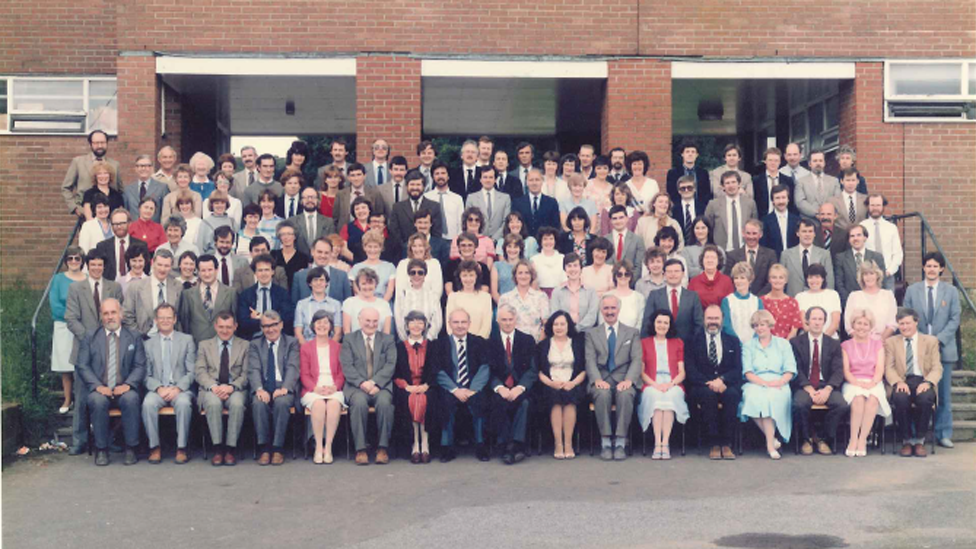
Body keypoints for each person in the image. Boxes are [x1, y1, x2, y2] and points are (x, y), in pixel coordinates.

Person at [63, 249, 124, 455]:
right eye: (93, 264)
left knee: (108, 397)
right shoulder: (75, 288)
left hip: (110, 351)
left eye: (100, 264)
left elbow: (118, 316)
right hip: (83, 350)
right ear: (87, 265)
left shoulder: (114, 287)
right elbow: (71, 318)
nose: (96, 268)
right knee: (81, 398)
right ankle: (79, 440)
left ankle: (108, 438)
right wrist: (91, 339)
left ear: (104, 266)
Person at [75, 298, 145, 466]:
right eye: (105, 313)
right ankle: (101, 450)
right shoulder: (90, 337)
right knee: (97, 401)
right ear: (101, 316)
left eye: (113, 312)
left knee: (131, 399)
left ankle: (131, 448)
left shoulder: (133, 337)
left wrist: (128, 385)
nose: (110, 317)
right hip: (100, 388)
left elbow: (140, 365)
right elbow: (82, 365)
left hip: (125, 387)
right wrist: (98, 386)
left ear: (120, 314)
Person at [903, 252, 961, 448]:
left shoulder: (951, 291)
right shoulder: (912, 290)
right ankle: (913, 433)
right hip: (917, 349)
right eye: (928, 266)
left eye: (935, 266)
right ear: (923, 268)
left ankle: (943, 433)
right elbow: (907, 316)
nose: (931, 269)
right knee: (915, 391)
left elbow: (955, 319)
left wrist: (938, 340)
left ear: (941, 269)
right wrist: (921, 340)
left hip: (943, 349)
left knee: (944, 395)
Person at [586, 294, 643, 460]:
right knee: (602, 394)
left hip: (623, 378)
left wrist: (629, 380)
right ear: (601, 310)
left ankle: (620, 442)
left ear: (619, 310)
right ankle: (605, 442)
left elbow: (636, 359)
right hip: (601, 378)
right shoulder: (592, 333)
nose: (609, 311)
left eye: (613, 308)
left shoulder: (632, 332)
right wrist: (597, 380)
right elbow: (590, 360)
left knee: (626, 395)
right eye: (606, 308)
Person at [435, 309, 493, 462]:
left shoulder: (479, 342)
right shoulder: (440, 344)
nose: (460, 326)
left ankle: (481, 445)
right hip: (451, 388)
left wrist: (472, 389)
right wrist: (455, 390)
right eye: (456, 322)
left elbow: (485, 367)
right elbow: (438, 370)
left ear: (469, 324)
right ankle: (447, 447)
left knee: (480, 402)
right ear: (449, 324)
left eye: (463, 322)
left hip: (473, 388)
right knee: (445, 403)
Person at [685, 305, 742, 460]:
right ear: (704, 319)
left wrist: (723, 380)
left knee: (732, 395)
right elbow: (690, 370)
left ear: (722, 320)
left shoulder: (732, 341)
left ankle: (727, 443)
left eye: (716, 318)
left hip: (726, 384)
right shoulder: (692, 341)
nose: (713, 322)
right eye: (709, 318)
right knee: (707, 396)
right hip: (702, 385)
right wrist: (709, 383)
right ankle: (714, 443)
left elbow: (738, 369)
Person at [141, 303, 196, 464]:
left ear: (175, 319)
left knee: (184, 403)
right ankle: (154, 447)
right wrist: (158, 388)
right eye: (161, 318)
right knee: (148, 403)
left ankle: (181, 448)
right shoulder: (148, 344)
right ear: (156, 320)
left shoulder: (186, 340)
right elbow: (146, 374)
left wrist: (178, 388)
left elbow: (191, 371)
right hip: (158, 389)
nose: (165, 321)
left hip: (180, 388)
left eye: (168, 317)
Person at [341, 308, 397, 465]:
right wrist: (362, 383)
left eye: (375, 321)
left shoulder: (387, 339)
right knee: (358, 403)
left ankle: (382, 448)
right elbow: (347, 366)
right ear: (359, 321)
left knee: (385, 403)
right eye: (367, 321)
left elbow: (390, 365)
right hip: (356, 386)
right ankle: (360, 449)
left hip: (381, 386)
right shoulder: (349, 339)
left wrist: (375, 383)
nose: (371, 324)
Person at [739, 309, 797, 460]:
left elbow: (790, 369)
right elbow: (748, 372)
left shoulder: (783, 344)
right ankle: (771, 443)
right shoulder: (748, 345)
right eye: (756, 325)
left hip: (779, 382)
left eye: (763, 324)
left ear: (770, 325)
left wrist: (780, 382)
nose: (760, 328)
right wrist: (763, 383)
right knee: (753, 397)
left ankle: (770, 444)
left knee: (770, 398)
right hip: (755, 382)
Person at [885, 308, 943, 458]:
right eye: (901, 324)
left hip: (923, 379)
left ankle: (919, 440)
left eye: (908, 323)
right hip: (902, 380)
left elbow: (937, 367)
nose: (904, 327)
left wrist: (928, 382)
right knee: (900, 399)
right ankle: (906, 440)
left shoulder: (930, 341)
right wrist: (897, 382)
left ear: (916, 322)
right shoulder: (891, 342)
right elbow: (889, 367)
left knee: (925, 400)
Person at [791, 306, 848, 455]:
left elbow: (838, 370)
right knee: (799, 404)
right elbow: (796, 369)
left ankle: (822, 437)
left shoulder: (834, 343)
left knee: (841, 405)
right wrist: (808, 388)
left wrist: (828, 389)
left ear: (824, 322)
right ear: (807, 321)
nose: (817, 322)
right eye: (814, 319)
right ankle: (807, 438)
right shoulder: (796, 343)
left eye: (820, 319)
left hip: (826, 385)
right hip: (805, 385)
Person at [195, 312, 249, 466]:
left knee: (237, 404)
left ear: (235, 327)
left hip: (235, 388)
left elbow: (246, 374)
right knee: (213, 403)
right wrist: (214, 386)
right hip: (211, 388)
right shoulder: (204, 345)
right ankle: (218, 449)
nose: (225, 331)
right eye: (221, 327)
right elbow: (200, 371)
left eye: (228, 327)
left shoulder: (244, 345)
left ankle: (231, 449)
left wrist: (231, 387)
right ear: (215, 326)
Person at [246, 310, 299, 466]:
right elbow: (253, 369)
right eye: (266, 326)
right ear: (261, 328)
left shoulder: (291, 342)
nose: (270, 329)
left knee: (282, 403)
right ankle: (264, 448)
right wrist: (259, 389)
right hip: (263, 385)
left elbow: (293, 367)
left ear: (281, 325)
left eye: (274, 325)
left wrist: (285, 387)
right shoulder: (255, 344)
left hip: (283, 385)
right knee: (258, 403)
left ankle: (277, 448)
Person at [489, 305, 538, 464]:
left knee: (524, 403)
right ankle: (506, 445)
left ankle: (516, 444)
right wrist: (499, 387)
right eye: (504, 319)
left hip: (520, 387)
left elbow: (532, 369)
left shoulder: (527, 340)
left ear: (516, 320)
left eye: (510, 319)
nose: (508, 323)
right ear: (497, 321)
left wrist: (520, 387)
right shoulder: (489, 342)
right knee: (498, 402)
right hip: (500, 388)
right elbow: (487, 370)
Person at [638, 310, 689, 460]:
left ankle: (665, 443)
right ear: (653, 323)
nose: (662, 325)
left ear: (670, 325)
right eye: (659, 322)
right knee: (655, 397)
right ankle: (657, 443)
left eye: (666, 322)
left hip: (673, 383)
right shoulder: (644, 343)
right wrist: (655, 385)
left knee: (670, 397)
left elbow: (682, 372)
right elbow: (641, 372)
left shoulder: (677, 342)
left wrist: (670, 384)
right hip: (651, 383)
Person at [841, 308, 891, 457]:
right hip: (853, 382)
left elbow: (880, 369)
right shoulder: (845, 345)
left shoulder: (877, 345)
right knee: (858, 400)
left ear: (870, 327)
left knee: (873, 400)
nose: (862, 327)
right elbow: (846, 371)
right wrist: (857, 383)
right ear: (853, 325)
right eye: (858, 323)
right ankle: (853, 439)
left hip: (873, 381)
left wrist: (873, 382)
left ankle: (863, 439)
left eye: (865, 324)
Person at [538, 312, 587, 459]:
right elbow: (539, 371)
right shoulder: (544, 345)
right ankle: (558, 443)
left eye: (562, 324)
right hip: (550, 383)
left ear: (568, 326)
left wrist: (573, 383)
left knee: (570, 398)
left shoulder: (578, 343)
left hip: (573, 382)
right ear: (551, 326)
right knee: (556, 399)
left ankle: (568, 443)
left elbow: (584, 369)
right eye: (555, 324)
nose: (559, 327)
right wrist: (551, 383)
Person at [300, 310, 346, 464]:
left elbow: (341, 373)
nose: (322, 325)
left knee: (333, 404)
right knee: (319, 404)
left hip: (333, 387)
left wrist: (335, 387)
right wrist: (315, 388)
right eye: (318, 322)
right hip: (313, 388)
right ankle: (318, 447)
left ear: (331, 326)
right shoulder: (306, 348)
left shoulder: (338, 347)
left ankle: (329, 447)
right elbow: (304, 374)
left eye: (326, 322)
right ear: (313, 326)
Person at [394, 311, 439, 464]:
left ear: (425, 326)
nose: (416, 325)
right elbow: (395, 373)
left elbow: (436, 370)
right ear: (406, 325)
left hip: (427, 387)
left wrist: (426, 385)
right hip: (407, 388)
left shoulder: (432, 346)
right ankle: (415, 444)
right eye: (412, 322)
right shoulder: (399, 347)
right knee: (412, 400)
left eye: (420, 322)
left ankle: (425, 443)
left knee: (425, 400)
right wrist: (406, 386)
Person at [50, 246, 87, 414]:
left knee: (83, 364)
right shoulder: (58, 279)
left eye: (77, 258)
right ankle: (67, 398)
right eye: (70, 258)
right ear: (66, 261)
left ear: (82, 261)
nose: (73, 261)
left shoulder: (87, 278)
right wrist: (72, 318)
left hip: (84, 327)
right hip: (64, 326)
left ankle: (83, 401)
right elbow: (55, 306)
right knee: (66, 365)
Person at [178, 254, 238, 343]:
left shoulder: (231, 293)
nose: (207, 274)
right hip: (196, 345)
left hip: (223, 345)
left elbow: (235, 321)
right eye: (203, 270)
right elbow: (184, 323)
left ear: (217, 270)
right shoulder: (187, 294)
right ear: (198, 272)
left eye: (210, 270)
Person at [122, 249, 182, 337]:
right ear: (152, 263)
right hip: (143, 339)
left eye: (166, 266)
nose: (162, 269)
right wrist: (139, 336)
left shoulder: (177, 286)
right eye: (159, 265)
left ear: (171, 267)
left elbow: (180, 316)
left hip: (170, 340)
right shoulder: (136, 287)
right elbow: (127, 315)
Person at [62, 130, 122, 217]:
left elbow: (120, 190)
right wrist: (75, 208)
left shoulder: (114, 165)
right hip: (85, 214)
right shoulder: (78, 162)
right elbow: (66, 188)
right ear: (90, 144)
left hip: (110, 216)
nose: (100, 146)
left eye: (103, 142)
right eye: (96, 143)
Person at [641, 258, 703, 341]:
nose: (673, 274)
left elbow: (699, 324)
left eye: (676, 271)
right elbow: (647, 323)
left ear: (683, 273)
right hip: (661, 345)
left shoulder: (693, 296)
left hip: (687, 346)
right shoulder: (654, 295)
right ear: (664, 274)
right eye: (669, 272)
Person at [236, 254, 295, 341]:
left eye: (267, 270)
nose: (264, 274)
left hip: (277, 339)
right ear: (255, 273)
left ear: (272, 272)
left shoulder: (282, 294)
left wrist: (260, 317)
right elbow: (243, 323)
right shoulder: (245, 295)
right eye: (260, 270)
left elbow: (287, 319)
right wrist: (273, 321)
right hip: (253, 339)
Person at [835, 224, 887, 308]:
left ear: (865, 238)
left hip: (874, 303)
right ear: (849, 240)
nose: (855, 238)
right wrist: (850, 301)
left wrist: (873, 299)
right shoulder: (841, 258)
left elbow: (882, 281)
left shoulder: (877, 257)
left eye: (859, 235)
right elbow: (839, 283)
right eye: (852, 236)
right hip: (850, 304)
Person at [705, 171, 758, 252]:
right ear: (722, 187)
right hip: (722, 251)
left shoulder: (750, 203)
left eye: (733, 182)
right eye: (727, 183)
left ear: (739, 184)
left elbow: (755, 227)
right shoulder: (713, 204)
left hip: (745, 251)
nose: (731, 185)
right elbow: (708, 229)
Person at [498, 260, 550, 341]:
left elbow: (546, 324)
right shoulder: (505, 298)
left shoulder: (541, 297)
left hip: (536, 344)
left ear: (531, 275)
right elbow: (501, 325)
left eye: (527, 273)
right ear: (515, 275)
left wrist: (538, 344)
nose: (523, 276)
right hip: (513, 345)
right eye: (520, 273)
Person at [844, 260, 897, 339]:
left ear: (877, 275)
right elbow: (848, 325)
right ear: (862, 277)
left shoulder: (888, 295)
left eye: (872, 273)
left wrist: (879, 342)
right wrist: (864, 341)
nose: (869, 277)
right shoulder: (854, 296)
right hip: (859, 342)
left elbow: (892, 323)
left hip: (883, 342)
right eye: (865, 274)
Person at [781, 218, 834, 297]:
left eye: (810, 231)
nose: (807, 234)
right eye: (804, 231)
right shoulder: (786, 255)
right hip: (793, 299)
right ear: (797, 233)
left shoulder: (824, 254)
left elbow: (829, 281)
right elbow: (781, 280)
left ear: (814, 234)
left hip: (818, 300)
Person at [393, 259, 442, 341]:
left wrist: (426, 341)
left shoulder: (432, 295)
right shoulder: (402, 295)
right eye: (413, 272)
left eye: (420, 273)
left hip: (429, 343)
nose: (416, 275)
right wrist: (408, 341)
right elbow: (399, 321)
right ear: (409, 275)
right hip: (406, 342)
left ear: (425, 275)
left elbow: (437, 321)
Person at [389, 170, 443, 244]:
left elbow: (436, 233)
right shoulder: (397, 208)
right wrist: (406, 247)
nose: (415, 188)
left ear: (423, 187)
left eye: (418, 185)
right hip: (403, 251)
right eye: (412, 184)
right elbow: (394, 232)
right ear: (406, 186)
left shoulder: (434, 207)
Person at [860, 193, 902, 289]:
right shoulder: (862, 227)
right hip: (868, 276)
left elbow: (897, 253)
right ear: (868, 206)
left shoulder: (891, 228)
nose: (875, 208)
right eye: (872, 205)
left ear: (883, 206)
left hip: (887, 276)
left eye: (878, 205)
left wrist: (889, 271)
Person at [723, 219, 775, 296]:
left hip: (762, 300)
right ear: (743, 233)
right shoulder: (732, 255)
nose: (751, 237)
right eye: (748, 233)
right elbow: (729, 280)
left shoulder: (770, 255)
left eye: (754, 233)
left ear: (760, 234)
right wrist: (743, 296)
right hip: (739, 299)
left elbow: (772, 280)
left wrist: (756, 299)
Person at [294, 266, 343, 345]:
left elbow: (338, 332)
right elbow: (298, 332)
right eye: (315, 280)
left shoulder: (336, 304)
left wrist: (327, 349)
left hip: (329, 348)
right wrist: (308, 349)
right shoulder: (301, 304)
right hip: (307, 348)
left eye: (321, 280)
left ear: (326, 283)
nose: (318, 283)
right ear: (310, 283)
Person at [447, 260, 495, 339]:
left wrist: (477, 343)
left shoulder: (486, 297)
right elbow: (449, 325)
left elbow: (486, 326)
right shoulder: (453, 297)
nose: (468, 279)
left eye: (471, 275)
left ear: (477, 276)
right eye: (464, 275)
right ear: (460, 277)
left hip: (480, 344)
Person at [550, 253, 599, 331]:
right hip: (563, 333)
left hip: (586, 333)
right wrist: (567, 329)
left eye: (575, 265)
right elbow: (555, 315)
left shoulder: (591, 291)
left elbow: (592, 316)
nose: (572, 269)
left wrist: (576, 328)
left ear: (581, 268)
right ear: (565, 269)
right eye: (569, 266)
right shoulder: (557, 292)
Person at [93, 209, 145, 282]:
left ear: (129, 223)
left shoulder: (140, 245)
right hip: (110, 287)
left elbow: (145, 269)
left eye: (122, 223)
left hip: (134, 285)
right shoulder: (102, 246)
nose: (119, 226)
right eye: (115, 224)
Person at [332, 163, 388, 229]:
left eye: (359, 175)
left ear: (364, 176)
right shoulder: (341, 194)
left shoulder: (375, 193)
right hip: (346, 234)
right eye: (352, 175)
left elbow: (380, 215)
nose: (356, 178)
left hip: (369, 233)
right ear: (348, 178)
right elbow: (336, 218)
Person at [721, 262, 764, 344]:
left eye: (742, 278)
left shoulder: (757, 301)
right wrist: (738, 343)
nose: (738, 281)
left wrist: (752, 343)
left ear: (750, 280)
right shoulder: (727, 301)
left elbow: (761, 324)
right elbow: (726, 326)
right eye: (736, 278)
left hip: (754, 345)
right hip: (733, 345)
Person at [795, 264, 842, 339]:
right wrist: (815, 340)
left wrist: (822, 340)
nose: (814, 281)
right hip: (807, 340)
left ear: (823, 279)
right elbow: (804, 324)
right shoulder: (800, 296)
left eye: (817, 277)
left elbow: (835, 323)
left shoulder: (833, 294)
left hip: (830, 339)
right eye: (810, 277)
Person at [464, 166, 511, 241]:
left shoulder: (505, 198)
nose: (488, 180)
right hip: (477, 240)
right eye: (485, 177)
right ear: (480, 179)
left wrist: (494, 238)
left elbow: (506, 221)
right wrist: (480, 238)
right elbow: (468, 221)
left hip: (499, 241)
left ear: (495, 179)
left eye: (490, 177)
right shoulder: (471, 198)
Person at [342, 268, 393, 334]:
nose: (367, 287)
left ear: (376, 284)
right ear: (358, 285)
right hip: (354, 343)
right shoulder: (349, 303)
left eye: (370, 283)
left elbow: (386, 332)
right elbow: (347, 331)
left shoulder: (384, 305)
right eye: (364, 284)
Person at [349, 229, 395, 302]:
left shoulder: (389, 267)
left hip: (383, 305)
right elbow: (356, 291)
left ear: (381, 248)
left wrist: (381, 306)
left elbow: (390, 291)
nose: (372, 250)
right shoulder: (356, 268)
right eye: (369, 246)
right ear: (364, 247)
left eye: (375, 247)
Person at [512, 169, 560, 237]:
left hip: (545, 242)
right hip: (523, 242)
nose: (534, 183)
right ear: (526, 182)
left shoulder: (552, 203)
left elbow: (555, 226)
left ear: (542, 181)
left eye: (537, 180)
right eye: (531, 180)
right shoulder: (517, 203)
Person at [760, 264, 803, 340]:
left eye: (781, 277)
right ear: (769, 280)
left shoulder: (792, 302)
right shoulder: (761, 301)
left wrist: (784, 345)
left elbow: (794, 329)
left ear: (786, 280)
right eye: (774, 277)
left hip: (786, 345)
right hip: (765, 344)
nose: (777, 280)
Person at [425, 160, 465, 240]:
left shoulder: (457, 198)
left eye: (443, 173)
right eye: (437, 174)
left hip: (452, 240)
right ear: (433, 177)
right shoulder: (426, 197)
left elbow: (461, 224)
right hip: (432, 241)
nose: (440, 176)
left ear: (448, 176)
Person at [794, 149, 840, 218]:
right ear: (810, 164)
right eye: (815, 161)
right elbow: (800, 203)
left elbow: (837, 200)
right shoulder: (801, 182)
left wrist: (827, 214)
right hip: (809, 222)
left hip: (829, 221)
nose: (818, 163)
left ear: (824, 163)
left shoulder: (834, 181)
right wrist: (817, 214)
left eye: (820, 160)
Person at [666, 141, 711, 210]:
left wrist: (702, 207)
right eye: (687, 152)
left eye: (693, 152)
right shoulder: (673, 173)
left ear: (697, 155)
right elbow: (671, 192)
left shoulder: (703, 173)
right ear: (682, 154)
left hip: (699, 209)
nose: (690, 154)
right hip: (680, 209)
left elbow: (707, 193)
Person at [123, 154, 168, 223]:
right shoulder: (128, 190)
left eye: (147, 166)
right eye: (140, 166)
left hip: (154, 230)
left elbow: (165, 214)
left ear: (151, 168)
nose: (143, 168)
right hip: (134, 230)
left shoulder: (162, 188)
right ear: (135, 169)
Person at [688, 244, 734, 311]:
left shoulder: (726, 281)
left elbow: (730, 305)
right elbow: (690, 306)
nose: (710, 260)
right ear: (702, 260)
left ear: (718, 261)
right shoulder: (694, 281)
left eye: (713, 257)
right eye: (707, 257)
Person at [760, 185, 802, 256]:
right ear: (773, 201)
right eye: (777, 198)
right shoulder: (765, 221)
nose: (781, 201)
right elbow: (764, 246)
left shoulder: (797, 220)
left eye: (783, 197)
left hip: (793, 259)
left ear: (788, 199)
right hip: (774, 260)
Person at [753, 147, 795, 218]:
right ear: (765, 161)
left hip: (783, 218)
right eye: (770, 160)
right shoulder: (756, 181)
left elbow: (791, 203)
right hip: (763, 219)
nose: (773, 163)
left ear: (780, 162)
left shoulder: (788, 181)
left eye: (776, 160)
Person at [270, 221, 310, 294]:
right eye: (283, 234)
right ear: (279, 237)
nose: (286, 237)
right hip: (276, 293)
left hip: (295, 293)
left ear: (294, 236)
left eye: (289, 234)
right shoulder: (273, 255)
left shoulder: (303, 257)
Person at [606, 261, 644, 329]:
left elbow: (640, 323)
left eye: (626, 274)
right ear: (615, 276)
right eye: (619, 274)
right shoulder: (606, 296)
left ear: (631, 276)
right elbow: (602, 322)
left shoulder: (639, 298)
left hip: (632, 337)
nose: (623, 277)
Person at [196, 191, 235, 255]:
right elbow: (200, 248)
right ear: (212, 205)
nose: (220, 206)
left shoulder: (231, 221)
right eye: (216, 203)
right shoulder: (205, 223)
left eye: (222, 203)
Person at [530, 227, 566, 296]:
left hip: (560, 294)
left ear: (555, 241)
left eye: (551, 239)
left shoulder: (563, 258)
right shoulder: (534, 260)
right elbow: (533, 282)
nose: (548, 242)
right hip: (539, 295)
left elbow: (565, 280)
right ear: (541, 241)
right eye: (545, 239)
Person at [606, 205, 644, 269]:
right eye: (614, 218)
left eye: (621, 217)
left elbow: (638, 266)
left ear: (627, 218)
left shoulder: (637, 240)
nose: (618, 221)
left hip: (631, 277)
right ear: (610, 221)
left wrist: (630, 279)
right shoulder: (605, 240)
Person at [491, 234, 525, 303]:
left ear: (520, 249)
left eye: (515, 247)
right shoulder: (497, 266)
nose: (512, 250)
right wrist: (505, 307)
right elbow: (494, 293)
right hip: (503, 305)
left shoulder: (526, 265)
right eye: (509, 246)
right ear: (505, 248)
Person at [672, 175, 706, 241]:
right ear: (679, 191)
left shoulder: (703, 207)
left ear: (695, 189)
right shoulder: (673, 210)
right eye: (683, 188)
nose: (686, 190)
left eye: (689, 187)